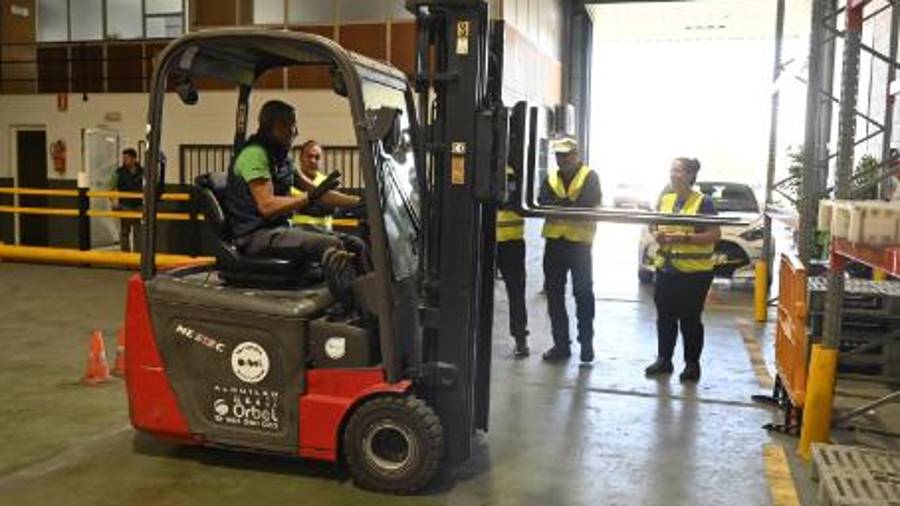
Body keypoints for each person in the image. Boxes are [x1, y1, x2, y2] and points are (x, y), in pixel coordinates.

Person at [222, 100, 356, 275]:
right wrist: (308, 197)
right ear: (279, 126)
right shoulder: (254, 154)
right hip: (254, 235)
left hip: (280, 229)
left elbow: (319, 192)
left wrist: (359, 202)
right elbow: (267, 206)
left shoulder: (282, 157)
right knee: (333, 245)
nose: (297, 131)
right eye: (294, 125)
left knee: (354, 243)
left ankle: (373, 298)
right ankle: (349, 300)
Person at [644, 157, 720, 383]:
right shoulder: (665, 199)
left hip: (695, 273)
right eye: (671, 170)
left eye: (678, 171)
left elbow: (714, 235)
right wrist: (657, 233)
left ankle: (692, 364)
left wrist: (684, 237)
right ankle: (664, 360)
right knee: (665, 317)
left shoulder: (703, 202)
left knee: (690, 319)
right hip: (667, 269)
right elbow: (653, 222)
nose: (673, 174)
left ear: (690, 175)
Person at [538, 136, 602, 363]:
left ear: (577, 155)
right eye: (559, 155)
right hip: (554, 243)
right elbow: (542, 201)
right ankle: (561, 345)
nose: (562, 159)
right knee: (554, 295)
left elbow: (587, 203)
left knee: (583, 294)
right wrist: (567, 206)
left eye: (567, 154)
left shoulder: (590, 177)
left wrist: (558, 205)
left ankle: (586, 344)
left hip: (579, 244)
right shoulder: (551, 178)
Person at [496, 167, 530, 358]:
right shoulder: (480, 166)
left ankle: (520, 338)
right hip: (484, 239)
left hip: (511, 242)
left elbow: (507, 200)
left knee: (516, 292)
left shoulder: (510, 173)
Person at [109, 148, 144, 252]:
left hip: (139, 204)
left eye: (127, 158)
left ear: (134, 159)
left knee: (138, 231)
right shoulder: (119, 172)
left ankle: (138, 255)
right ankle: (125, 255)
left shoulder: (142, 172)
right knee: (125, 230)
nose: (124, 160)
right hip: (125, 204)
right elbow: (110, 187)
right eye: (123, 158)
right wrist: (114, 201)